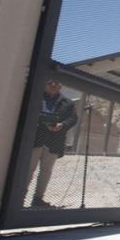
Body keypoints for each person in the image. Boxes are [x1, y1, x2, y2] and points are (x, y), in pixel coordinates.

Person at [27, 79, 78, 208]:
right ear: (45, 84)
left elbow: (73, 118)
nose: (54, 85)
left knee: (46, 171)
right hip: (36, 139)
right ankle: (19, 198)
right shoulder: (36, 97)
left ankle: (37, 199)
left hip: (54, 141)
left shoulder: (68, 103)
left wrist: (63, 125)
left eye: (57, 83)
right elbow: (29, 112)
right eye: (50, 83)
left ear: (61, 86)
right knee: (28, 170)